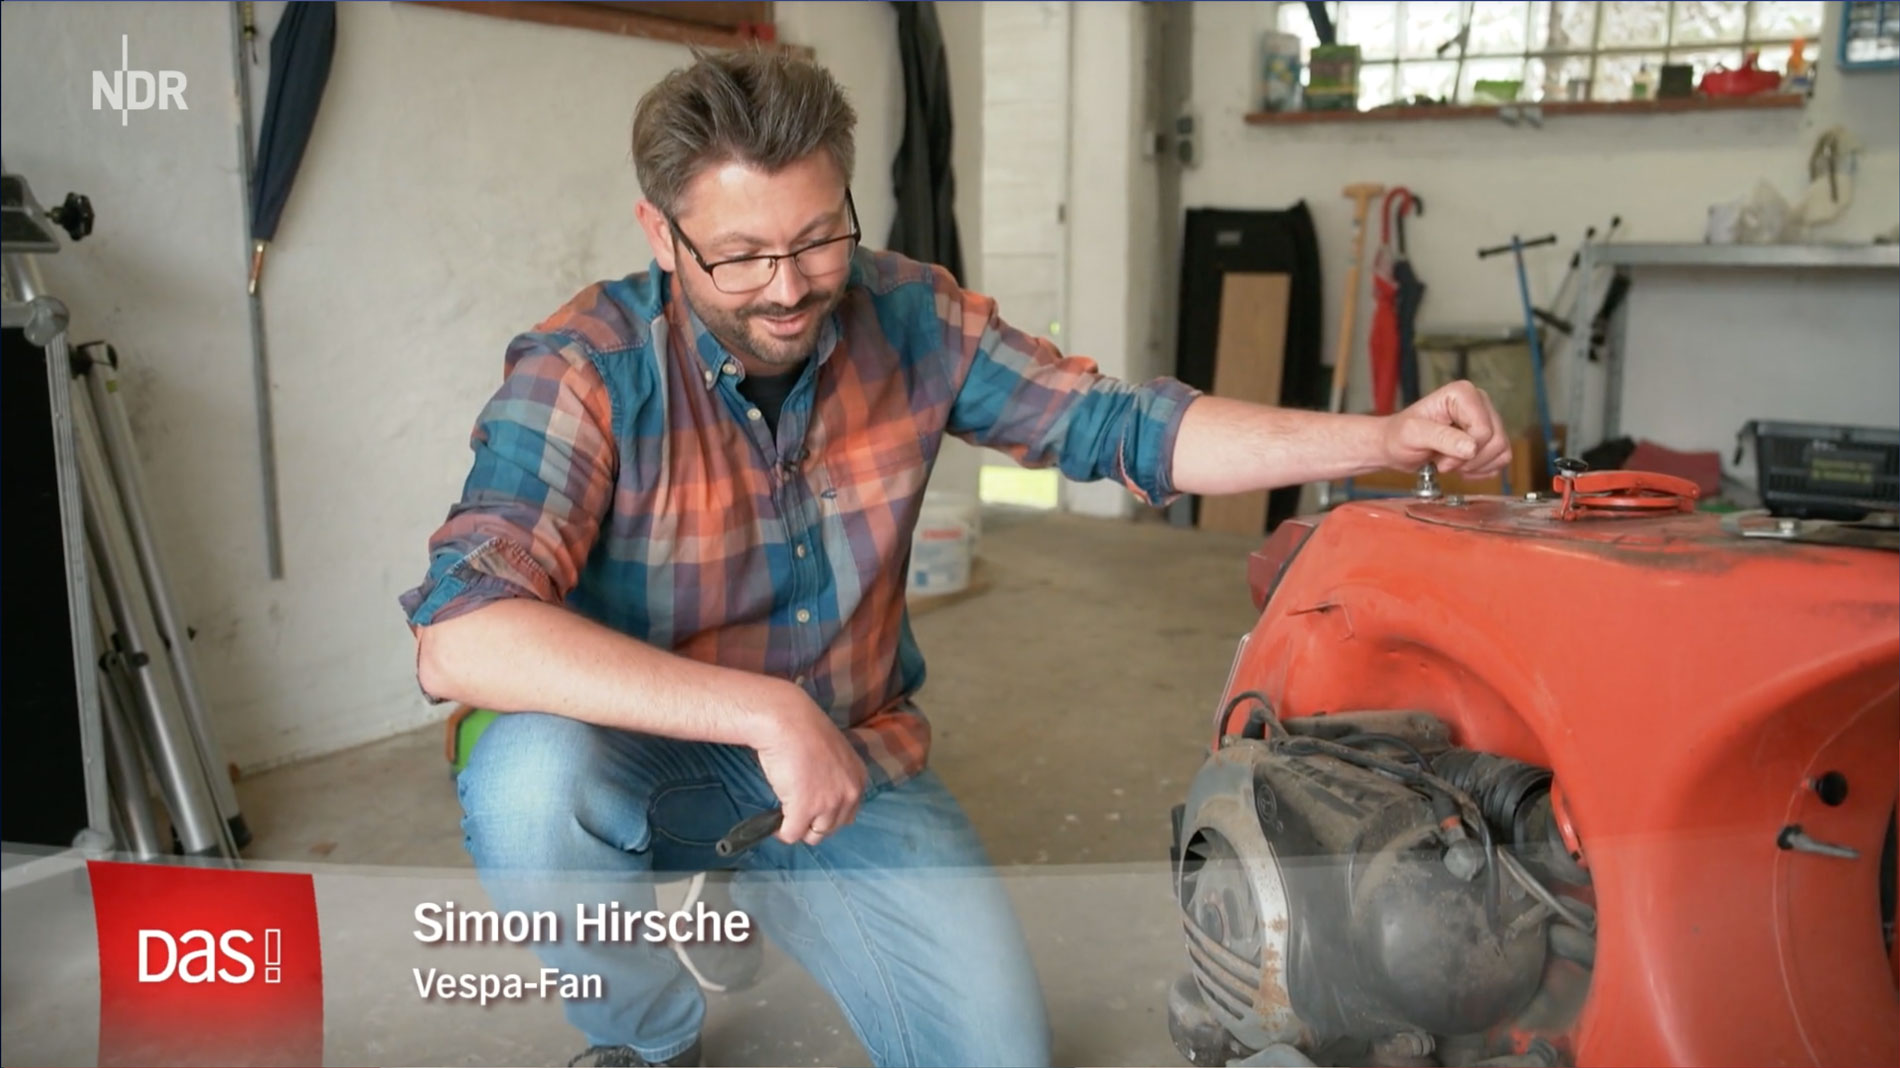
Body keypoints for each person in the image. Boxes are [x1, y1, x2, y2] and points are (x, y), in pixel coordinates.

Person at [399, 48, 1510, 1068]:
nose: (787, 287)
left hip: (852, 759)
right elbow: (459, 635)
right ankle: (644, 1036)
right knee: (528, 780)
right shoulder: (586, 370)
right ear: (660, 234)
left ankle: (737, 883)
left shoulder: (912, 316)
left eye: (818, 236)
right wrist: (761, 712)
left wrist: (1378, 437)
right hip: (649, 755)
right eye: (738, 256)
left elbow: (1121, 427)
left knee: (1000, 1057)